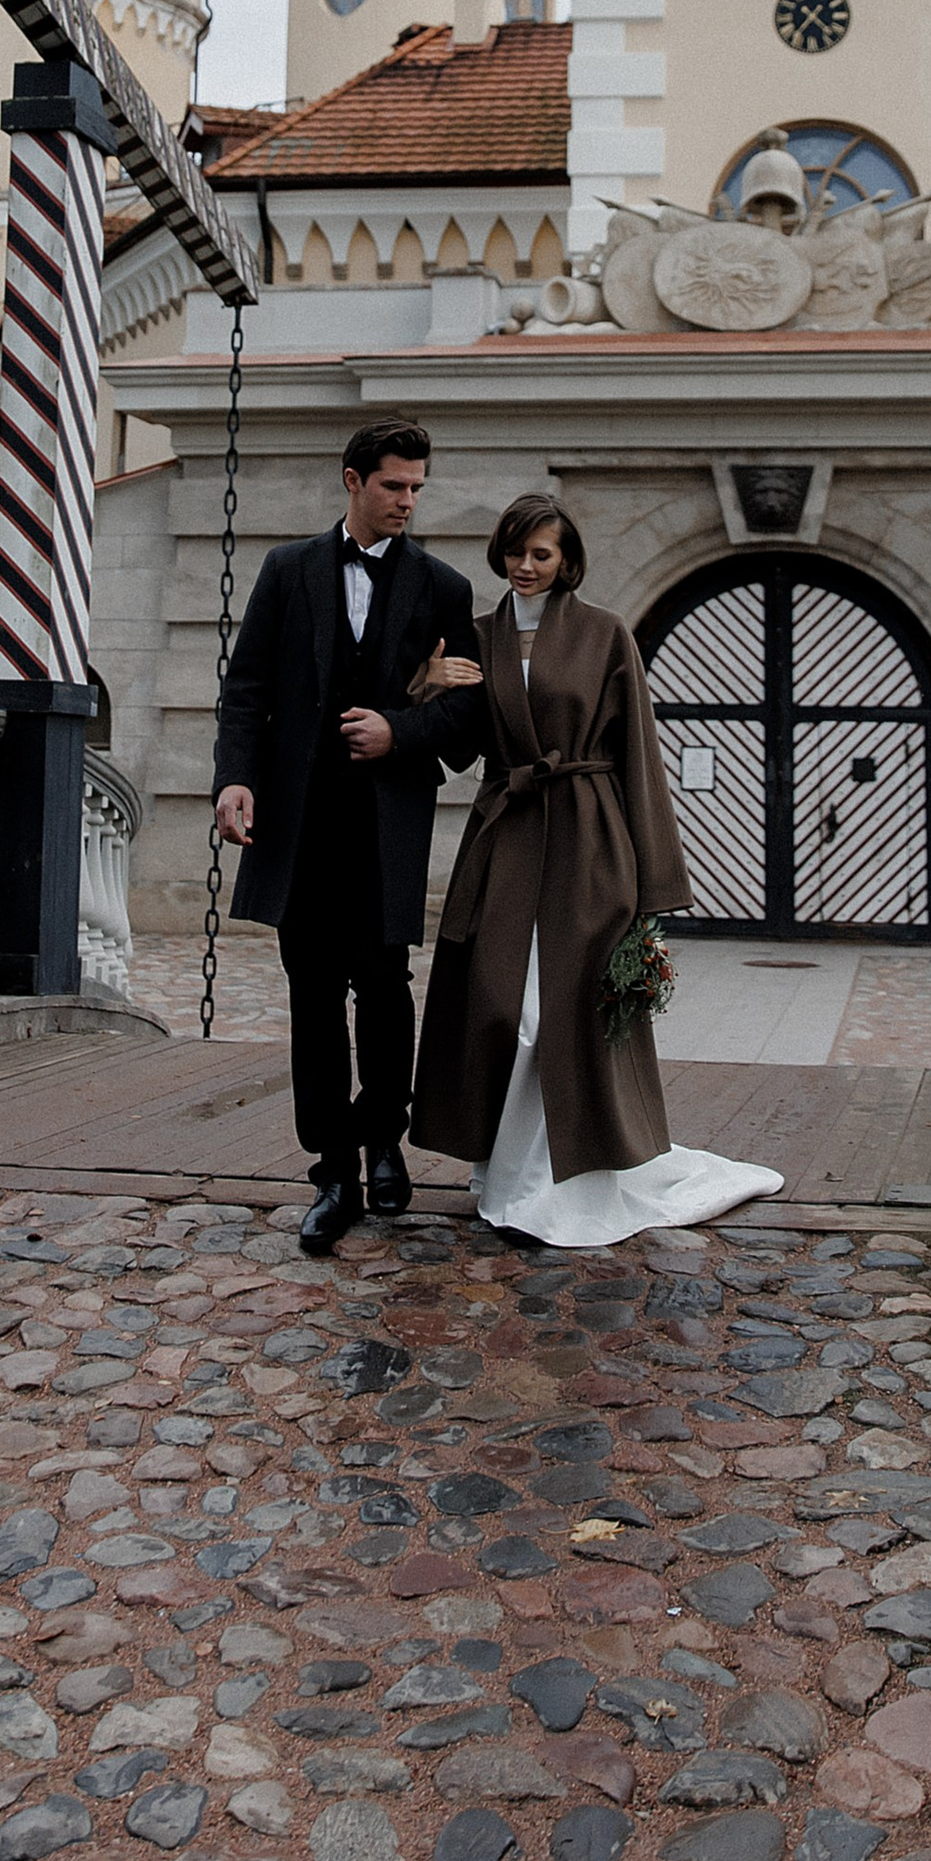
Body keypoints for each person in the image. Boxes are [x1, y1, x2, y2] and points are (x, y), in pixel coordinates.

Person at [411, 491, 784, 1248]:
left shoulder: (606, 634)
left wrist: (653, 883)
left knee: (565, 1017)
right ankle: (506, 1175)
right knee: (501, 1010)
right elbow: (454, 749)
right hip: (508, 836)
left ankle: (561, 1185)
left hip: (588, 838)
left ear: (566, 559)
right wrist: (427, 687)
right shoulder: (475, 639)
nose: (525, 566)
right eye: (515, 552)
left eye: (540, 554)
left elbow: (639, 756)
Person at [212, 418, 481, 1255]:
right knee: (314, 995)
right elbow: (246, 687)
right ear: (353, 481)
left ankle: (384, 1141)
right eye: (394, 486)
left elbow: (470, 713)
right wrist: (234, 777)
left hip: (383, 826)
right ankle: (332, 1170)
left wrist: (400, 730)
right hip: (300, 821)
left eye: (417, 488)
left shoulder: (443, 588)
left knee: (387, 988)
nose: (407, 501)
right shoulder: (286, 571)